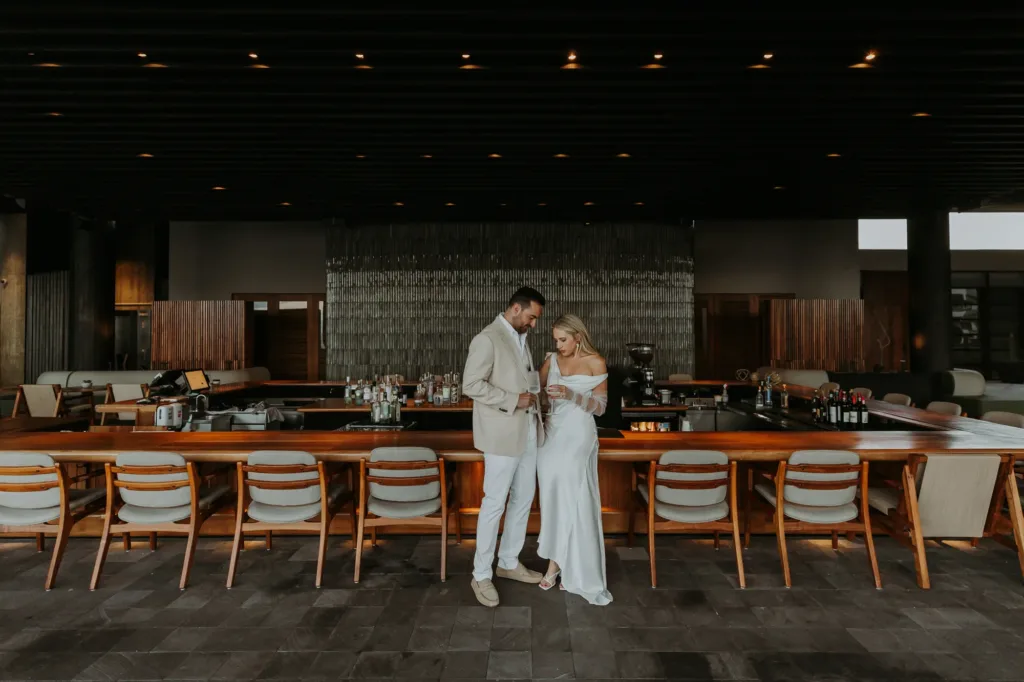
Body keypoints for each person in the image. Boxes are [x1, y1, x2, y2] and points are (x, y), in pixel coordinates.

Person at [462, 286, 547, 607]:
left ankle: (508, 561)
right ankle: (481, 574)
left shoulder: (520, 338)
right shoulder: (488, 338)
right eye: (531, 317)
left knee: (524, 499)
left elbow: (522, 382)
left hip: (527, 431)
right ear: (514, 308)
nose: (533, 324)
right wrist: (513, 399)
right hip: (500, 434)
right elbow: (470, 385)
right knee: (494, 503)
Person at [536, 314, 613, 605]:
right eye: (555, 340)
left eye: (563, 340)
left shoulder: (596, 362)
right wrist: (545, 401)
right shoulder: (551, 361)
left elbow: (601, 408)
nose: (558, 345)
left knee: (574, 496)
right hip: (552, 434)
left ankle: (556, 566)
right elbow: (536, 392)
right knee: (552, 498)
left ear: (578, 337)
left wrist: (570, 394)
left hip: (579, 433)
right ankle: (559, 559)